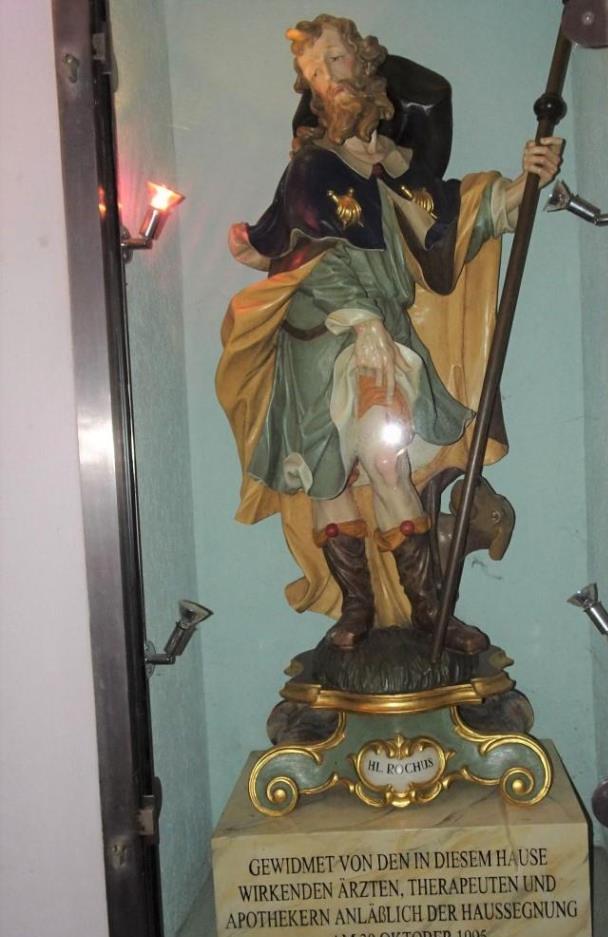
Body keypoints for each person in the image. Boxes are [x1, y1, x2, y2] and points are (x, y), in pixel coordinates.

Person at [217, 14, 562, 654]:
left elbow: (456, 223)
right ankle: (357, 609)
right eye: (316, 72)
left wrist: (525, 182)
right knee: (328, 477)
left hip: (383, 334)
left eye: (337, 60)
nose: (330, 79)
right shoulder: (312, 169)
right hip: (322, 338)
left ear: (367, 64)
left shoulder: (398, 168)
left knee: (385, 459)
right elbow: (308, 259)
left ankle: (429, 613)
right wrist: (361, 319)